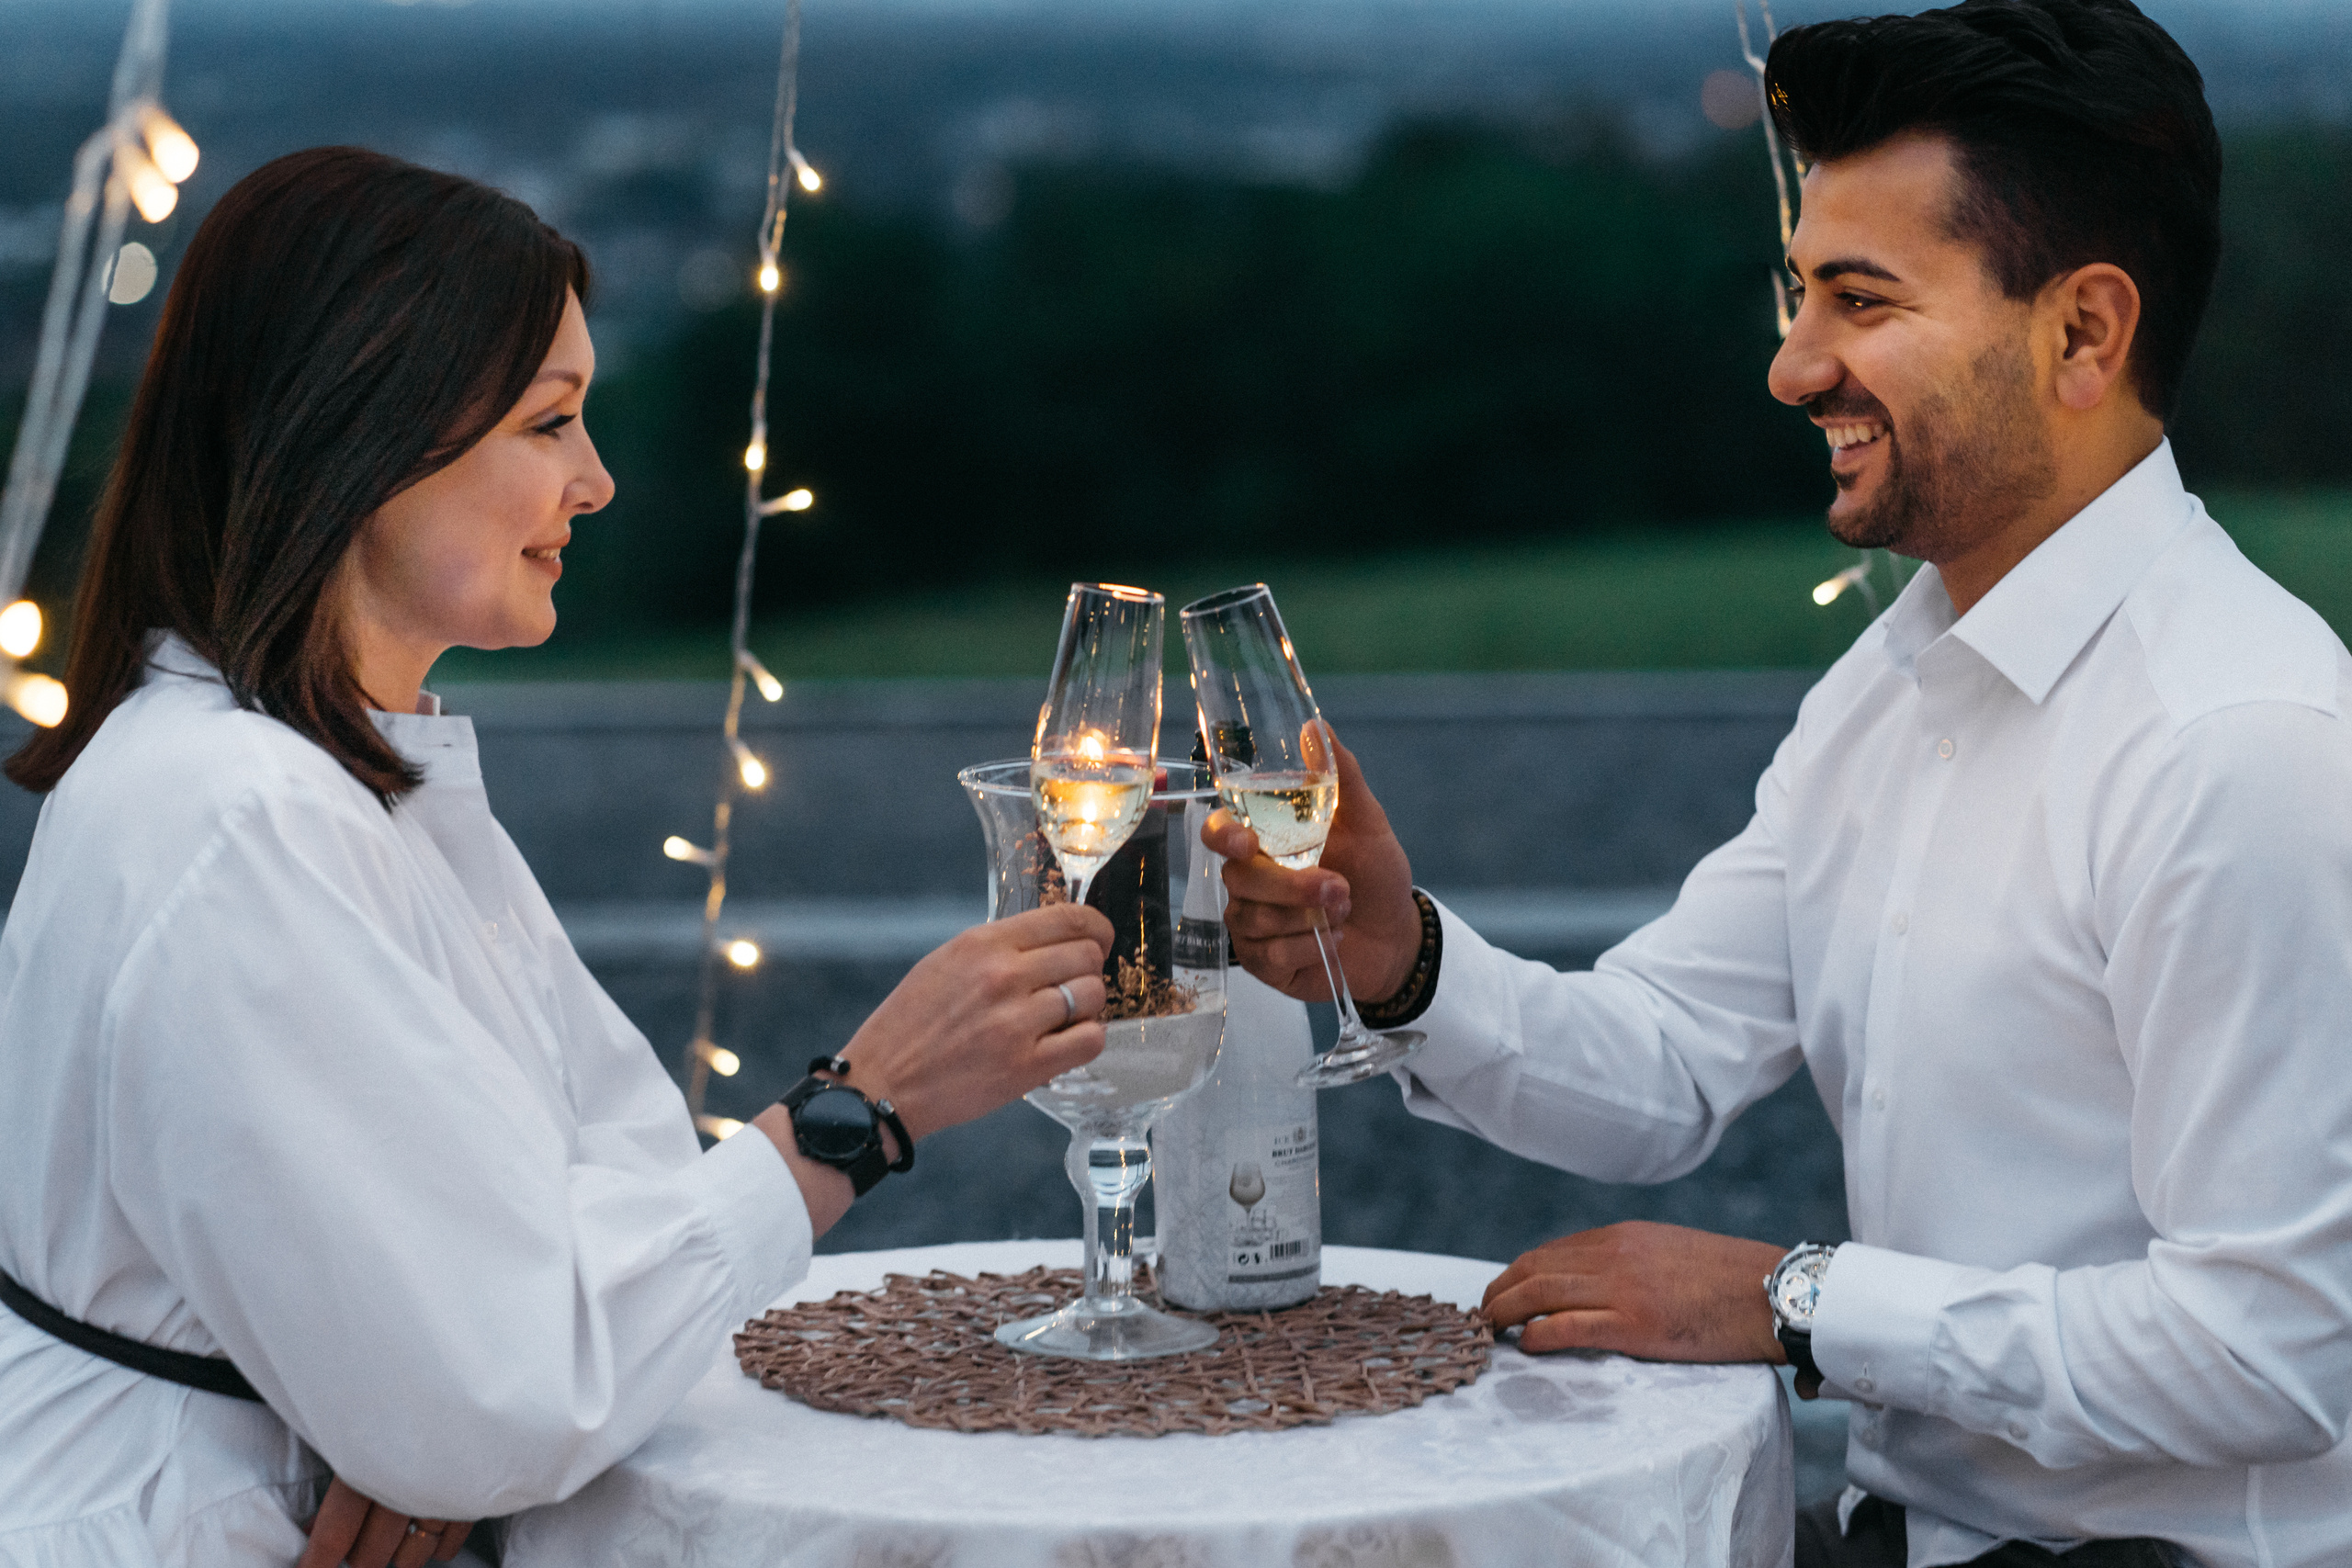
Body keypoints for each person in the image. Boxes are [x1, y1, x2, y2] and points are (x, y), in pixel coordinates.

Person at [1205, 3, 2352, 1565]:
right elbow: (1665, 1063)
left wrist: (1802, 1303)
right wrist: (1402, 963)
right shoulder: (1888, 685)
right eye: (1799, 291)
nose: (1793, 364)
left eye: (1861, 300)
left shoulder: (2241, 742)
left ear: (2083, 332)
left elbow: (2275, 1348)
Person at [0, 147, 1116, 1568]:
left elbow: (616, 1184)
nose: (594, 481)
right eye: (551, 422)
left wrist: (432, 1418)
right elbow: (506, 1396)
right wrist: (862, 1108)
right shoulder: (242, 819)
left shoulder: (340, 780)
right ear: (363, 430)